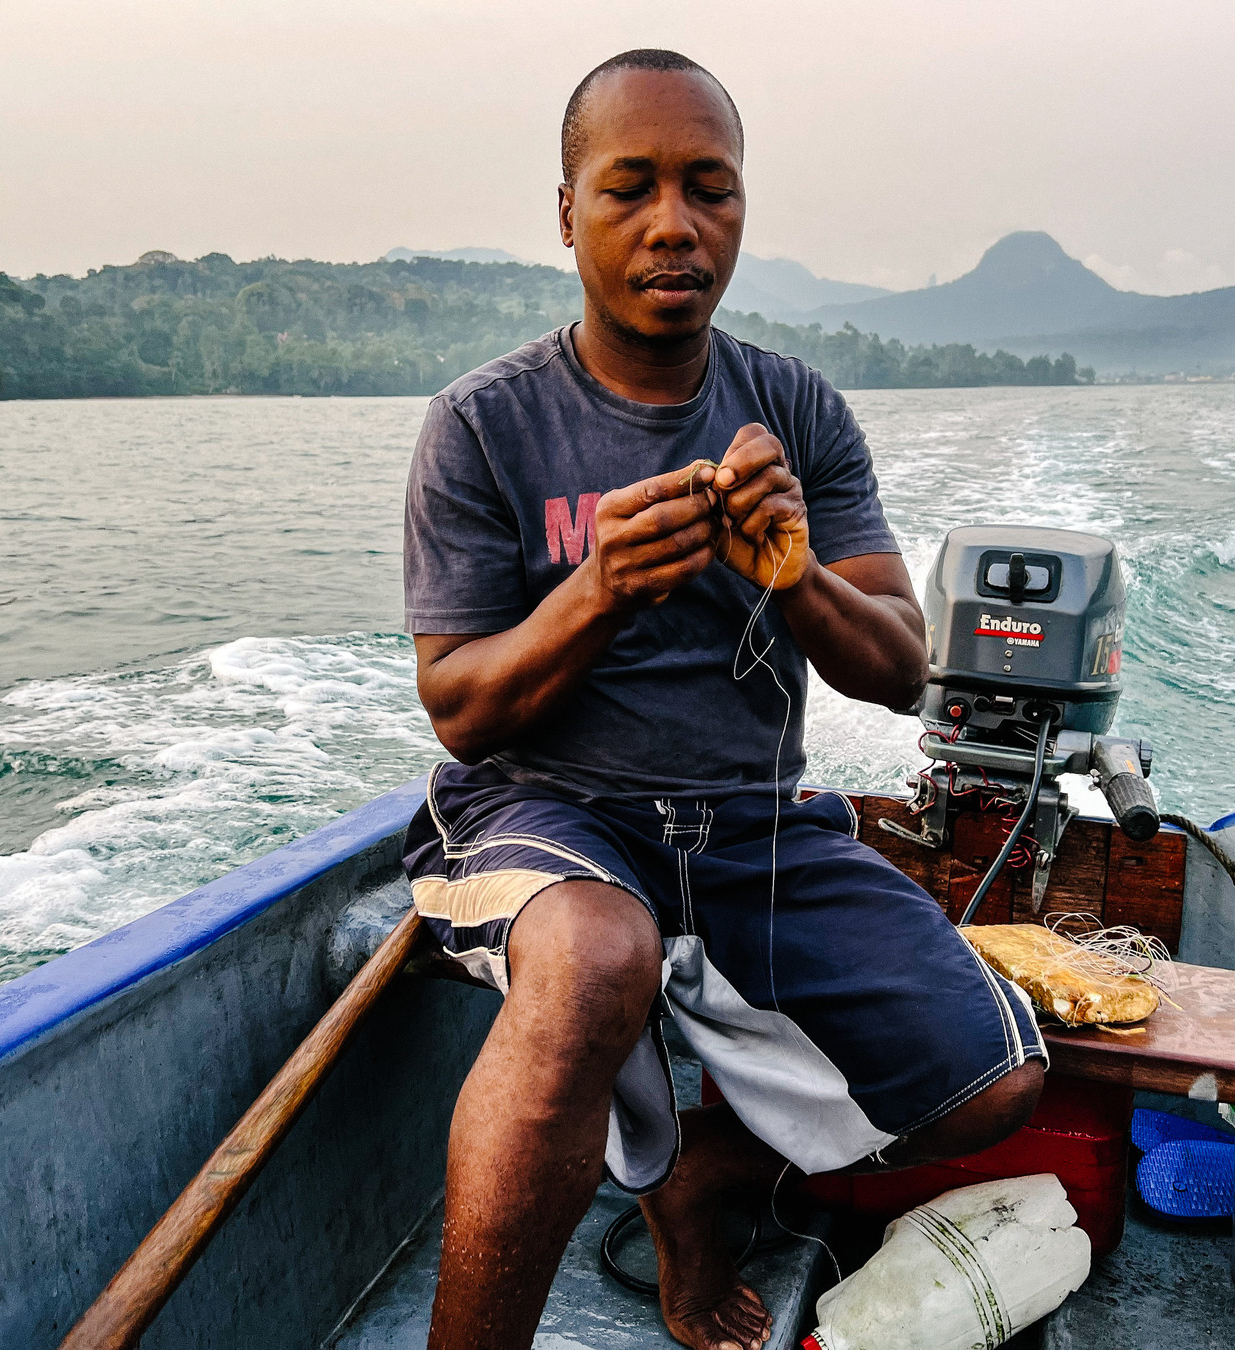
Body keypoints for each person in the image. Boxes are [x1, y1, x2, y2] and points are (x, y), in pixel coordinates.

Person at [401, 48, 1046, 1350]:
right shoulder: (482, 426)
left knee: (998, 1074)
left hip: (749, 821)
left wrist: (793, 576)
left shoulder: (796, 408)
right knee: (594, 956)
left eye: (711, 188)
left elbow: (898, 665)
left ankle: (706, 1173)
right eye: (629, 187)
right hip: (550, 815)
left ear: (742, 208)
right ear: (568, 211)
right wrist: (596, 591)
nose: (674, 224)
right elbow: (459, 708)